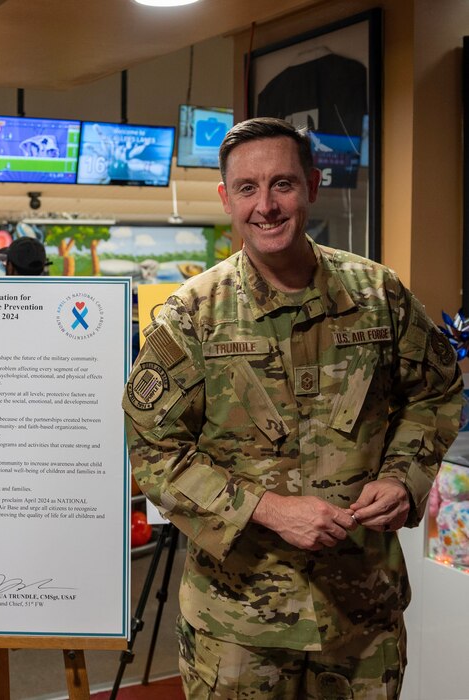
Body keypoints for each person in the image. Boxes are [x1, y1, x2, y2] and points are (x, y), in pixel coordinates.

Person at [124, 117, 463, 698]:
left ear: (311, 183)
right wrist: (267, 509)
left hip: (361, 614)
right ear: (226, 198)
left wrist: (402, 478)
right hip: (238, 627)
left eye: (282, 184)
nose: (267, 206)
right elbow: (152, 451)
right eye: (248, 189)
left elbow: (434, 391)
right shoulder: (192, 316)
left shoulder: (377, 294)